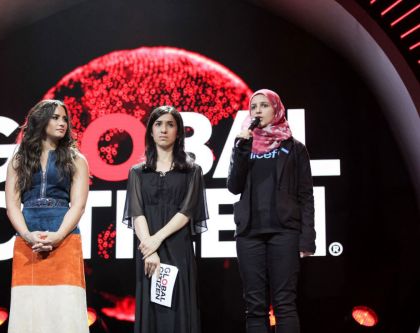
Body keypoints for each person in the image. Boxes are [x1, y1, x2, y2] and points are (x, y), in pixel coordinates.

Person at [227, 89, 315, 333]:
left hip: (284, 232)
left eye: (263, 105)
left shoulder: (295, 148)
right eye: (253, 107)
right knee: (255, 308)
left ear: (276, 109)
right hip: (249, 233)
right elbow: (234, 187)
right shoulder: (243, 144)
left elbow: (306, 195)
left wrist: (307, 239)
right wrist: (241, 148)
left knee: (285, 305)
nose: (257, 111)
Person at [5, 99, 90, 333]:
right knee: (28, 310)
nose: (62, 123)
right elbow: (12, 205)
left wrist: (58, 236)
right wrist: (27, 235)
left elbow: (78, 206)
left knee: (65, 310)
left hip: (65, 238)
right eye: (55, 117)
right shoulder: (19, 160)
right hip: (27, 240)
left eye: (64, 118)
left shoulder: (76, 159)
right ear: (40, 120)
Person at [123, 106, 209, 333]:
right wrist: (150, 250)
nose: (164, 129)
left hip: (178, 248)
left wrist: (156, 240)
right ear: (150, 131)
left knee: (179, 308)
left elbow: (187, 211)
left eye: (170, 125)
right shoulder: (137, 172)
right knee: (151, 310)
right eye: (158, 124)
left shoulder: (192, 171)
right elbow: (137, 211)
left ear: (179, 132)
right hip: (147, 251)